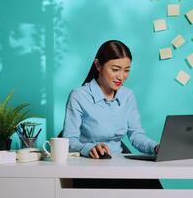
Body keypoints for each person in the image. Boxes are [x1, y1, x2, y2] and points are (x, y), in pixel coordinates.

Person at [62, 40, 162, 189]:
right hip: (89, 167)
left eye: (126, 70)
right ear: (98, 65)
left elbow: (136, 135)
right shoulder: (79, 96)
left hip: (120, 165)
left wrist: (156, 147)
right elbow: (68, 141)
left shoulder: (128, 95)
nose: (121, 77)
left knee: (155, 188)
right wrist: (88, 148)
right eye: (115, 69)